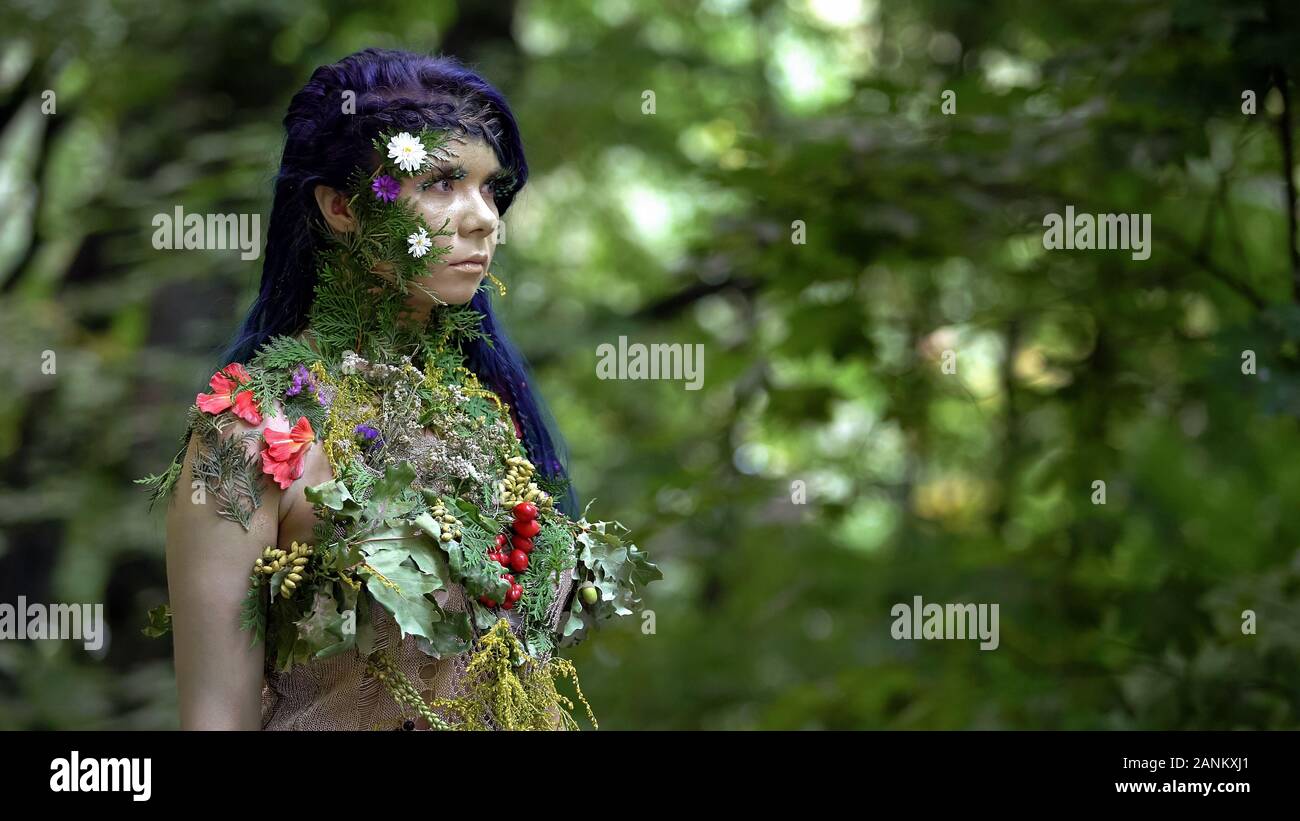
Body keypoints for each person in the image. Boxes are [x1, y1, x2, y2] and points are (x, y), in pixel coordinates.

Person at [153, 48, 607, 730]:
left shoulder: (486, 419)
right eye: (443, 181)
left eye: (490, 187)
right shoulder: (251, 428)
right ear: (341, 207)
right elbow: (216, 717)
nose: (483, 217)